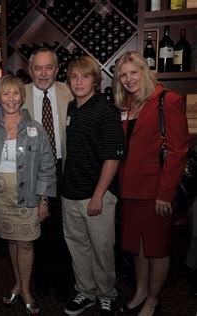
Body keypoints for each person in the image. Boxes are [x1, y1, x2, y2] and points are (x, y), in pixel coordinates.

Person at [113, 51, 189, 316]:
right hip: (129, 190)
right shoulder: (126, 105)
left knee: (157, 249)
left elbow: (178, 151)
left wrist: (165, 194)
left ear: (145, 71)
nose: (128, 79)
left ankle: (153, 300)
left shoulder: (167, 100)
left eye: (133, 72)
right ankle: (141, 291)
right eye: (123, 75)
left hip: (156, 192)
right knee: (137, 247)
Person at [61, 56, 125, 316]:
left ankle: (106, 294)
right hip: (70, 193)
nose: (79, 82)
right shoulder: (71, 108)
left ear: (96, 81)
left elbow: (113, 156)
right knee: (78, 248)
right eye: (74, 77)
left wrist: (98, 195)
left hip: (96, 196)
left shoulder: (105, 110)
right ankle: (85, 292)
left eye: (85, 76)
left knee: (101, 249)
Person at [0, 75, 56, 315]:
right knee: (12, 240)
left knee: (25, 243)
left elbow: (47, 165)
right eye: (5, 94)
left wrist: (43, 199)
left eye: (15, 93)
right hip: (0, 195)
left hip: (27, 193)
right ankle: (16, 283)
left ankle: (26, 290)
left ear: (22, 96)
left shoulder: (35, 129)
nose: (11, 99)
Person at [24, 47, 74, 301]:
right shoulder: (19, 94)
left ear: (56, 69)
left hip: (62, 166)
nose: (43, 74)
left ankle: (63, 279)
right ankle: (41, 277)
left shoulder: (70, 91)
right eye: (37, 68)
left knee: (63, 226)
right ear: (30, 70)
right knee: (38, 226)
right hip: (32, 168)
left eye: (48, 68)